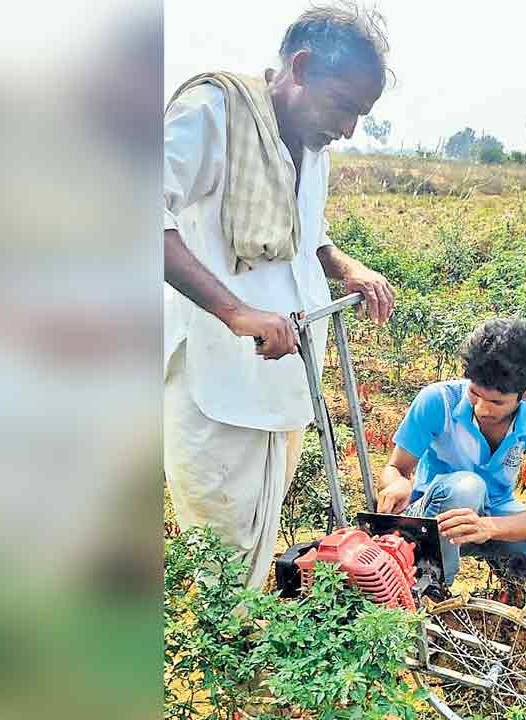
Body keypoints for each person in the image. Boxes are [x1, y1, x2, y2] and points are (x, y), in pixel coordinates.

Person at [164, 3, 397, 589]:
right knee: (217, 549)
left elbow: (306, 235)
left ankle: (245, 642)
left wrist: (349, 268)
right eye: (344, 106)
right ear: (302, 66)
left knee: (258, 534)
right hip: (220, 373)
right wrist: (237, 312)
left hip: (287, 373)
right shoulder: (213, 112)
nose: (348, 129)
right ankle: (220, 660)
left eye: (360, 115)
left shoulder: (312, 146)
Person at [375, 318, 526, 586]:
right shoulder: (437, 401)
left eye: (497, 401)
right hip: (431, 518)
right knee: (467, 488)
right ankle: (432, 586)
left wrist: (489, 528)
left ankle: (497, 556)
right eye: (475, 394)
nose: (483, 409)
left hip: (494, 514)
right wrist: (397, 484)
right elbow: (396, 469)